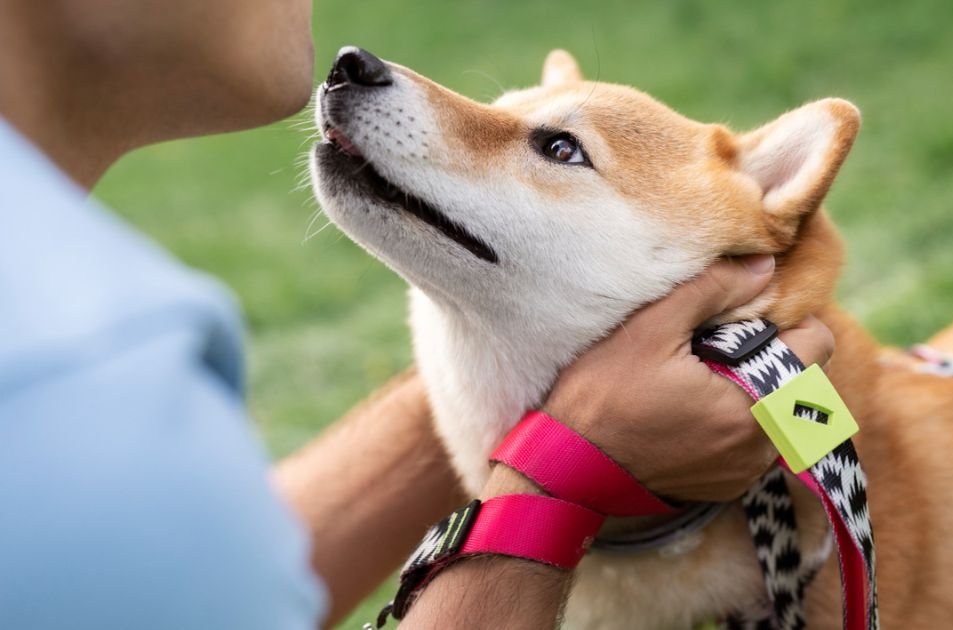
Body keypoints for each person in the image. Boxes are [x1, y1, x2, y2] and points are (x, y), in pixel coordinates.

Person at [0, 1, 834, 628]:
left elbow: (184, 587)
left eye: (554, 146)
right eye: (556, 145)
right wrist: (561, 469)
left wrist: (544, 380)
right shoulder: (64, 385)